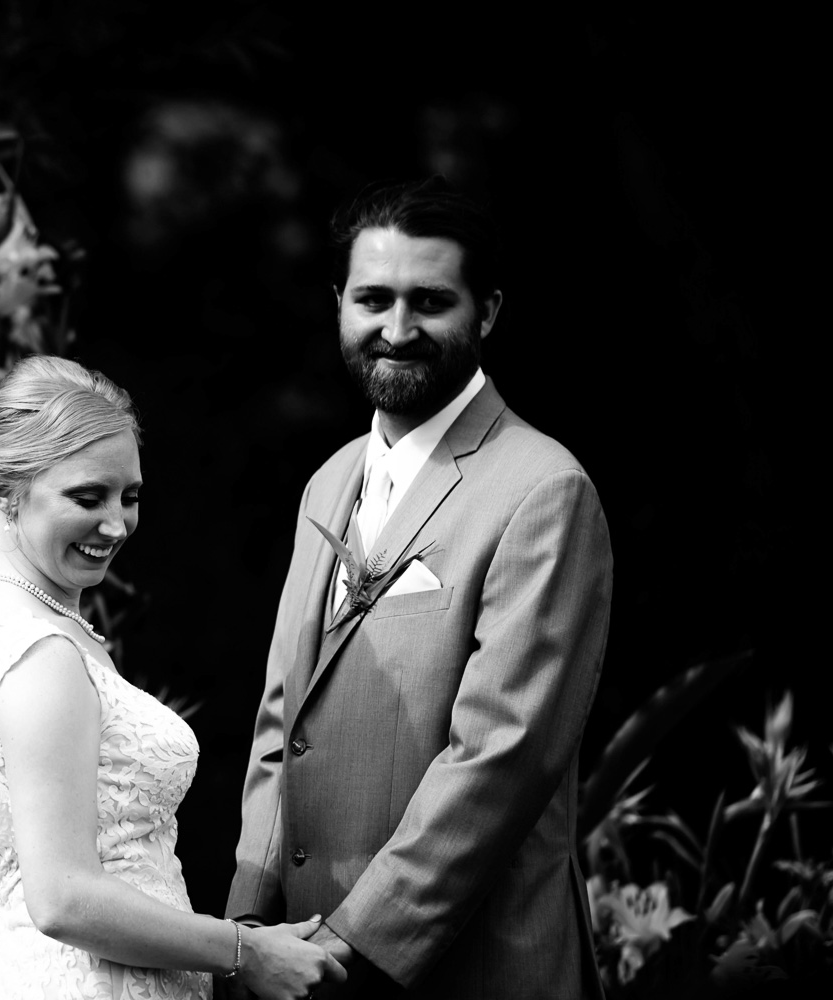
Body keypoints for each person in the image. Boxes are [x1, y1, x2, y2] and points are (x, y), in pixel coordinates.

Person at [227, 179, 612, 999]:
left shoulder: (542, 489)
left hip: (465, 964)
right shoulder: (329, 483)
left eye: (429, 301)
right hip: (300, 960)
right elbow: (278, 723)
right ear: (339, 303)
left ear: (489, 311)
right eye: (373, 299)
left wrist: (350, 948)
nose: (396, 331)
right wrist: (247, 930)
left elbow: (499, 756)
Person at [0, 356, 343, 1000]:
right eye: (87, 497)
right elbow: (61, 898)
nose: (116, 524)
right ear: (5, 491)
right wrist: (242, 949)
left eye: (130, 496)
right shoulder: (39, 652)